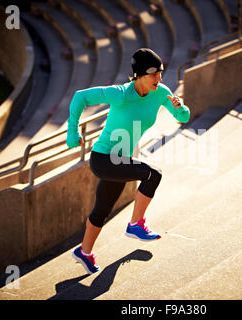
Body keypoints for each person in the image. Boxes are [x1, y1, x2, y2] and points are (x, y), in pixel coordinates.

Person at [66, 48, 190, 274]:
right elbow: (80, 97)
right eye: (153, 73)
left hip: (122, 160)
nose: (159, 78)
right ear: (139, 74)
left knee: (101, 211)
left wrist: (181, 108)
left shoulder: (161, 92)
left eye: (161, 72)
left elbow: (184, 117)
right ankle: (136, 224)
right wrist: (72, 132)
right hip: (103, 159)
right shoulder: (121, 93)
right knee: (153, 173)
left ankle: (84, 252)